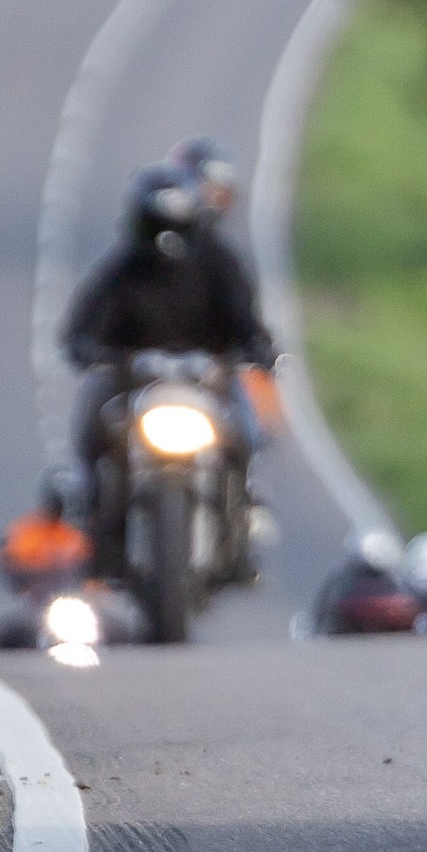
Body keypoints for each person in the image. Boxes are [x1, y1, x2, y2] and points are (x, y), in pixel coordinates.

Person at [62, 160, 277, 576]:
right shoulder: (123, 268)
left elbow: (245, 317)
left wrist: (258, 348)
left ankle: (242, 513)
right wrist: (84, 346)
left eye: (176, 225)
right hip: (133, 382)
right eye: (156, 225)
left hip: (209, 380)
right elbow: (86, 320)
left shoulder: (218, 262)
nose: (166, 240)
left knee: (247, 431)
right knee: (94, 428)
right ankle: (96, 519)